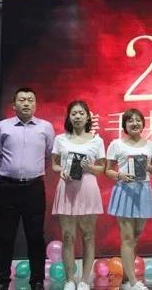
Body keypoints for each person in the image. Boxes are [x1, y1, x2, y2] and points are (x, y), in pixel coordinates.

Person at [0, 87, 55, 290]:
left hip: (34, 188)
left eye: (30, 100)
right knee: (5, 236)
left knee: (35, 236)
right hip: (8, 187)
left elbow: (48, 156)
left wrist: (31, 171)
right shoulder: (2, 126)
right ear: (14, 104)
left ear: (35, 104)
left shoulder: (45, 127)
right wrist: (9, 171)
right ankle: (2, 280)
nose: (26, 103)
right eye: (22, 100)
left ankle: (37, 280)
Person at [51, 100, 106, 290]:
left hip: (88, 188)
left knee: (88, 235)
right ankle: (69, 280)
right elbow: (54, 164)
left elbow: (102, 168)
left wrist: (89, 167)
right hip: (67, 187)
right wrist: (61, 171)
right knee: (67, 236)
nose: (77, 116)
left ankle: (84, 280)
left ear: (88, 116)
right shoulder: (60, 139)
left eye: (81, 113)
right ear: (69, 117)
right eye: (74, 113)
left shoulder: (97, 140)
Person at [105, 109, 152, 290]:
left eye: (138, 120)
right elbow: (107, 170)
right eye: (130, 120)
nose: (134, 123)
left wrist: (151, 168)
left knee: (136, 235)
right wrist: (120, 175)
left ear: (143, 124)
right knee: (127, 238)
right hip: (125, 190)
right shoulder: (116, 144)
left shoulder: (151, 145)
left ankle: (126, 280)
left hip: (143, 191)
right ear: (124, 125)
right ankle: (134, 282)